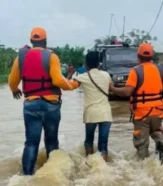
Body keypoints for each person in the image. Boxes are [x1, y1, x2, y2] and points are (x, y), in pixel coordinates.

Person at [8, 27, 79, 175]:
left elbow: (12, 81)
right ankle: (54, 174)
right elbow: (59, 81)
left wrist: (15, 90)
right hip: (51, 105)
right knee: (52, 142)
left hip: (31, 105)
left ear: (31, 41)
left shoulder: (20, 57)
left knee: (31, 143)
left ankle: (27, 175)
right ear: (45, 41)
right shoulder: (51, 56)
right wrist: (74, 84)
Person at [109, 43, 163, 161]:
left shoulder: (135, 71)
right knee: (156, 129)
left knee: (141, 143)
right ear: (152, 56)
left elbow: (127, 92)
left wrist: (113, 88)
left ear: (138, 56)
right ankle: (159, 141)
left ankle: (143, 166)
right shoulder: (160, 69)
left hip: (141, 114)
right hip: (158, 112)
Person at [72, 51, 112, 161]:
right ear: (99, 63)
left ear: (86, 64)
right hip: (106, 114)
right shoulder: (106, 75)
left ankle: (89, 165)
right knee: (103, 146)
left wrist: (69, 75)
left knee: (89, 141)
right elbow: (112, 88)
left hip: (91, 114)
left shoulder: (83, 77)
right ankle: (104, 167)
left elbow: (69, 86)